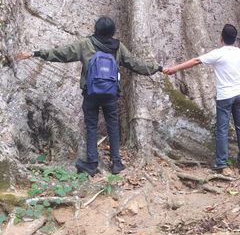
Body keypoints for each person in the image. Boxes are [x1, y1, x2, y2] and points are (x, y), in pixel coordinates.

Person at [16, 16, 163, 176]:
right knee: (112, 125)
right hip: (111, 94)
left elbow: (61, 54)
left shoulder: (85, 44)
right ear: (112, 31)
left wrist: (35, 53)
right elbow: (135, 63)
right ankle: (116, 163)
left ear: (96, 29)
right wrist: (158, 68)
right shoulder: (118, 47)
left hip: (90, 93)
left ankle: (92, 164)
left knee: (91, 126)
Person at [163, 24, 240, 173]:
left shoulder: (218, 54)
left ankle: (221, 162)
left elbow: (196, 61)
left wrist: (174, 69)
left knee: (222, 130)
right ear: (235, 39)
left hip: (225, 96)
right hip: (239, 94)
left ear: (221, 38)